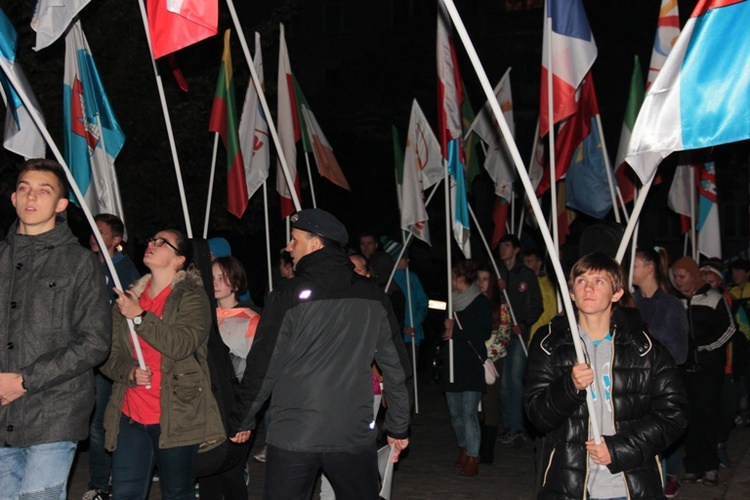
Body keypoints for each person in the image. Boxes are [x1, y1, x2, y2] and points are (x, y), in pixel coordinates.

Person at [230, 209, 410, 500]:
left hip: (295, 435)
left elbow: (263, 366)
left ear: (315, 244)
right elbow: (397, 368)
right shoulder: (374, 294)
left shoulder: (286, 296)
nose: (289, 247)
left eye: (294, 239)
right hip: (352, 433)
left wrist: (242, 418)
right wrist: (399, 426)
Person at [525, 252, 688, 499]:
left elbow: (674, 414)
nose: (588, 288)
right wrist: (569, 386)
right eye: (581, 281)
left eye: (599, 281)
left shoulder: (644, 349)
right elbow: (538, 417)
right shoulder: (548, 344)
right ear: (571, 292)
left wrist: (619, 449)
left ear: (617, 293)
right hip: (569, 485)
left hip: (628, 485)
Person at [0, 159, 112, 498]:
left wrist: (25, 380)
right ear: (13, 199)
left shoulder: (79, 262)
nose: (31, 197)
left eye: (43, 191)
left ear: (61, 205)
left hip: (55, 409)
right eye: (24, 189)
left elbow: (95, 342)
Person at [102, 229, 225, 499]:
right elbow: (109, 354)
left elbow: (180, 344)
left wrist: (140, 317)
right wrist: (129, 372)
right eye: (151, 239)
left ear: (179, 259)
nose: (151, 243)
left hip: (176, 416)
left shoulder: (192, 297)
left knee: (177, 493)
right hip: (130, 415)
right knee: (124, 493)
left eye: (161, 242)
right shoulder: (129, 298)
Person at [84, 213, 141, 500]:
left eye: (101, 231)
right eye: (92, 230)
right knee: (92, 420)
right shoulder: (86, 266)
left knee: (105, 421)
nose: (94, 236)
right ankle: (99, 483)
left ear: (116, 240)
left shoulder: (125, 270)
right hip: (87, 354)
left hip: (112, 356)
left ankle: (106, 483)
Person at [199, 256, 261, 500]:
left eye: (222, 278)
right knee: (207, 474)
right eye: (212, 277)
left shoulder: (251, 319)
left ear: (236, 283)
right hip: (204, 407)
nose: (215, 283)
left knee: (231, 474)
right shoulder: (200, 316)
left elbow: (255, 372)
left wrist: (246, 415)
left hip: (233, 407)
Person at [670, 256, 735, 486]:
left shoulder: (713, 298)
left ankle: (710, 467)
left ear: (693, 276)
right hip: (685, 370)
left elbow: (728, 329)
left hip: (709, 369)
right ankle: (693, 466)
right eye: (675, 277)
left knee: (707, 416)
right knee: (690, 418)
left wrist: (706, 348)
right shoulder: (676, 302)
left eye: (682, 276)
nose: (678, 281)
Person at [631, 246, 689, 496]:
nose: (629, 271)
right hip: (634, 388)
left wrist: (650, 343)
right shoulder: (629, 304)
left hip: (661, 388)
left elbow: (681, 353)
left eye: (634, 265)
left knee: (657, 448)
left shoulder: (672, 305)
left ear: (649, 268)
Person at [443, 259, 493, 477]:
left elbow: (483, 333)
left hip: (472, 363)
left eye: (453, 276)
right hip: (453, 361)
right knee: (455, 413)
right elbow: (444, 330)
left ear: (461, 278)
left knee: (468, 412)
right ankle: (463, 447)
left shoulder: (480, 302)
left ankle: (473, 456)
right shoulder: (451, 301)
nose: (450, 280)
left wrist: (456, 333)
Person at [497, 234, 543, 446]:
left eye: (507, 246)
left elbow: (536, 306)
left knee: (514, 381)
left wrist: (523, 324)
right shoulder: (497, 272)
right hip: (499, 335)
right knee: (503, 384)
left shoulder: (525, 275)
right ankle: (509, 425)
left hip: (518, 336)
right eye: (501, 245)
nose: (502, 249)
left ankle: (518, 427)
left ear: (516, 250)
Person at [475, 264, 511, 464]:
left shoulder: (502, 308)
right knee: (475, 403)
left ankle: (488, 450)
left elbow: (504, 336)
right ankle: (475, 445)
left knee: (490, 403)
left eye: (485, 279)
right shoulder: (472, 304)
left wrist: (487, 356)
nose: (481, 283)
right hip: (475, 359)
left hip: (492, 361)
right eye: (478, 279)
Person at [523, 249, 558, 345]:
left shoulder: (547, 284)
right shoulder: (520, 282)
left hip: (539, 333)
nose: (525, 265)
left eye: (529, 262)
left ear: (538, 264)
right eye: (524, 262)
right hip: (522, 332)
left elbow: (553, 310)